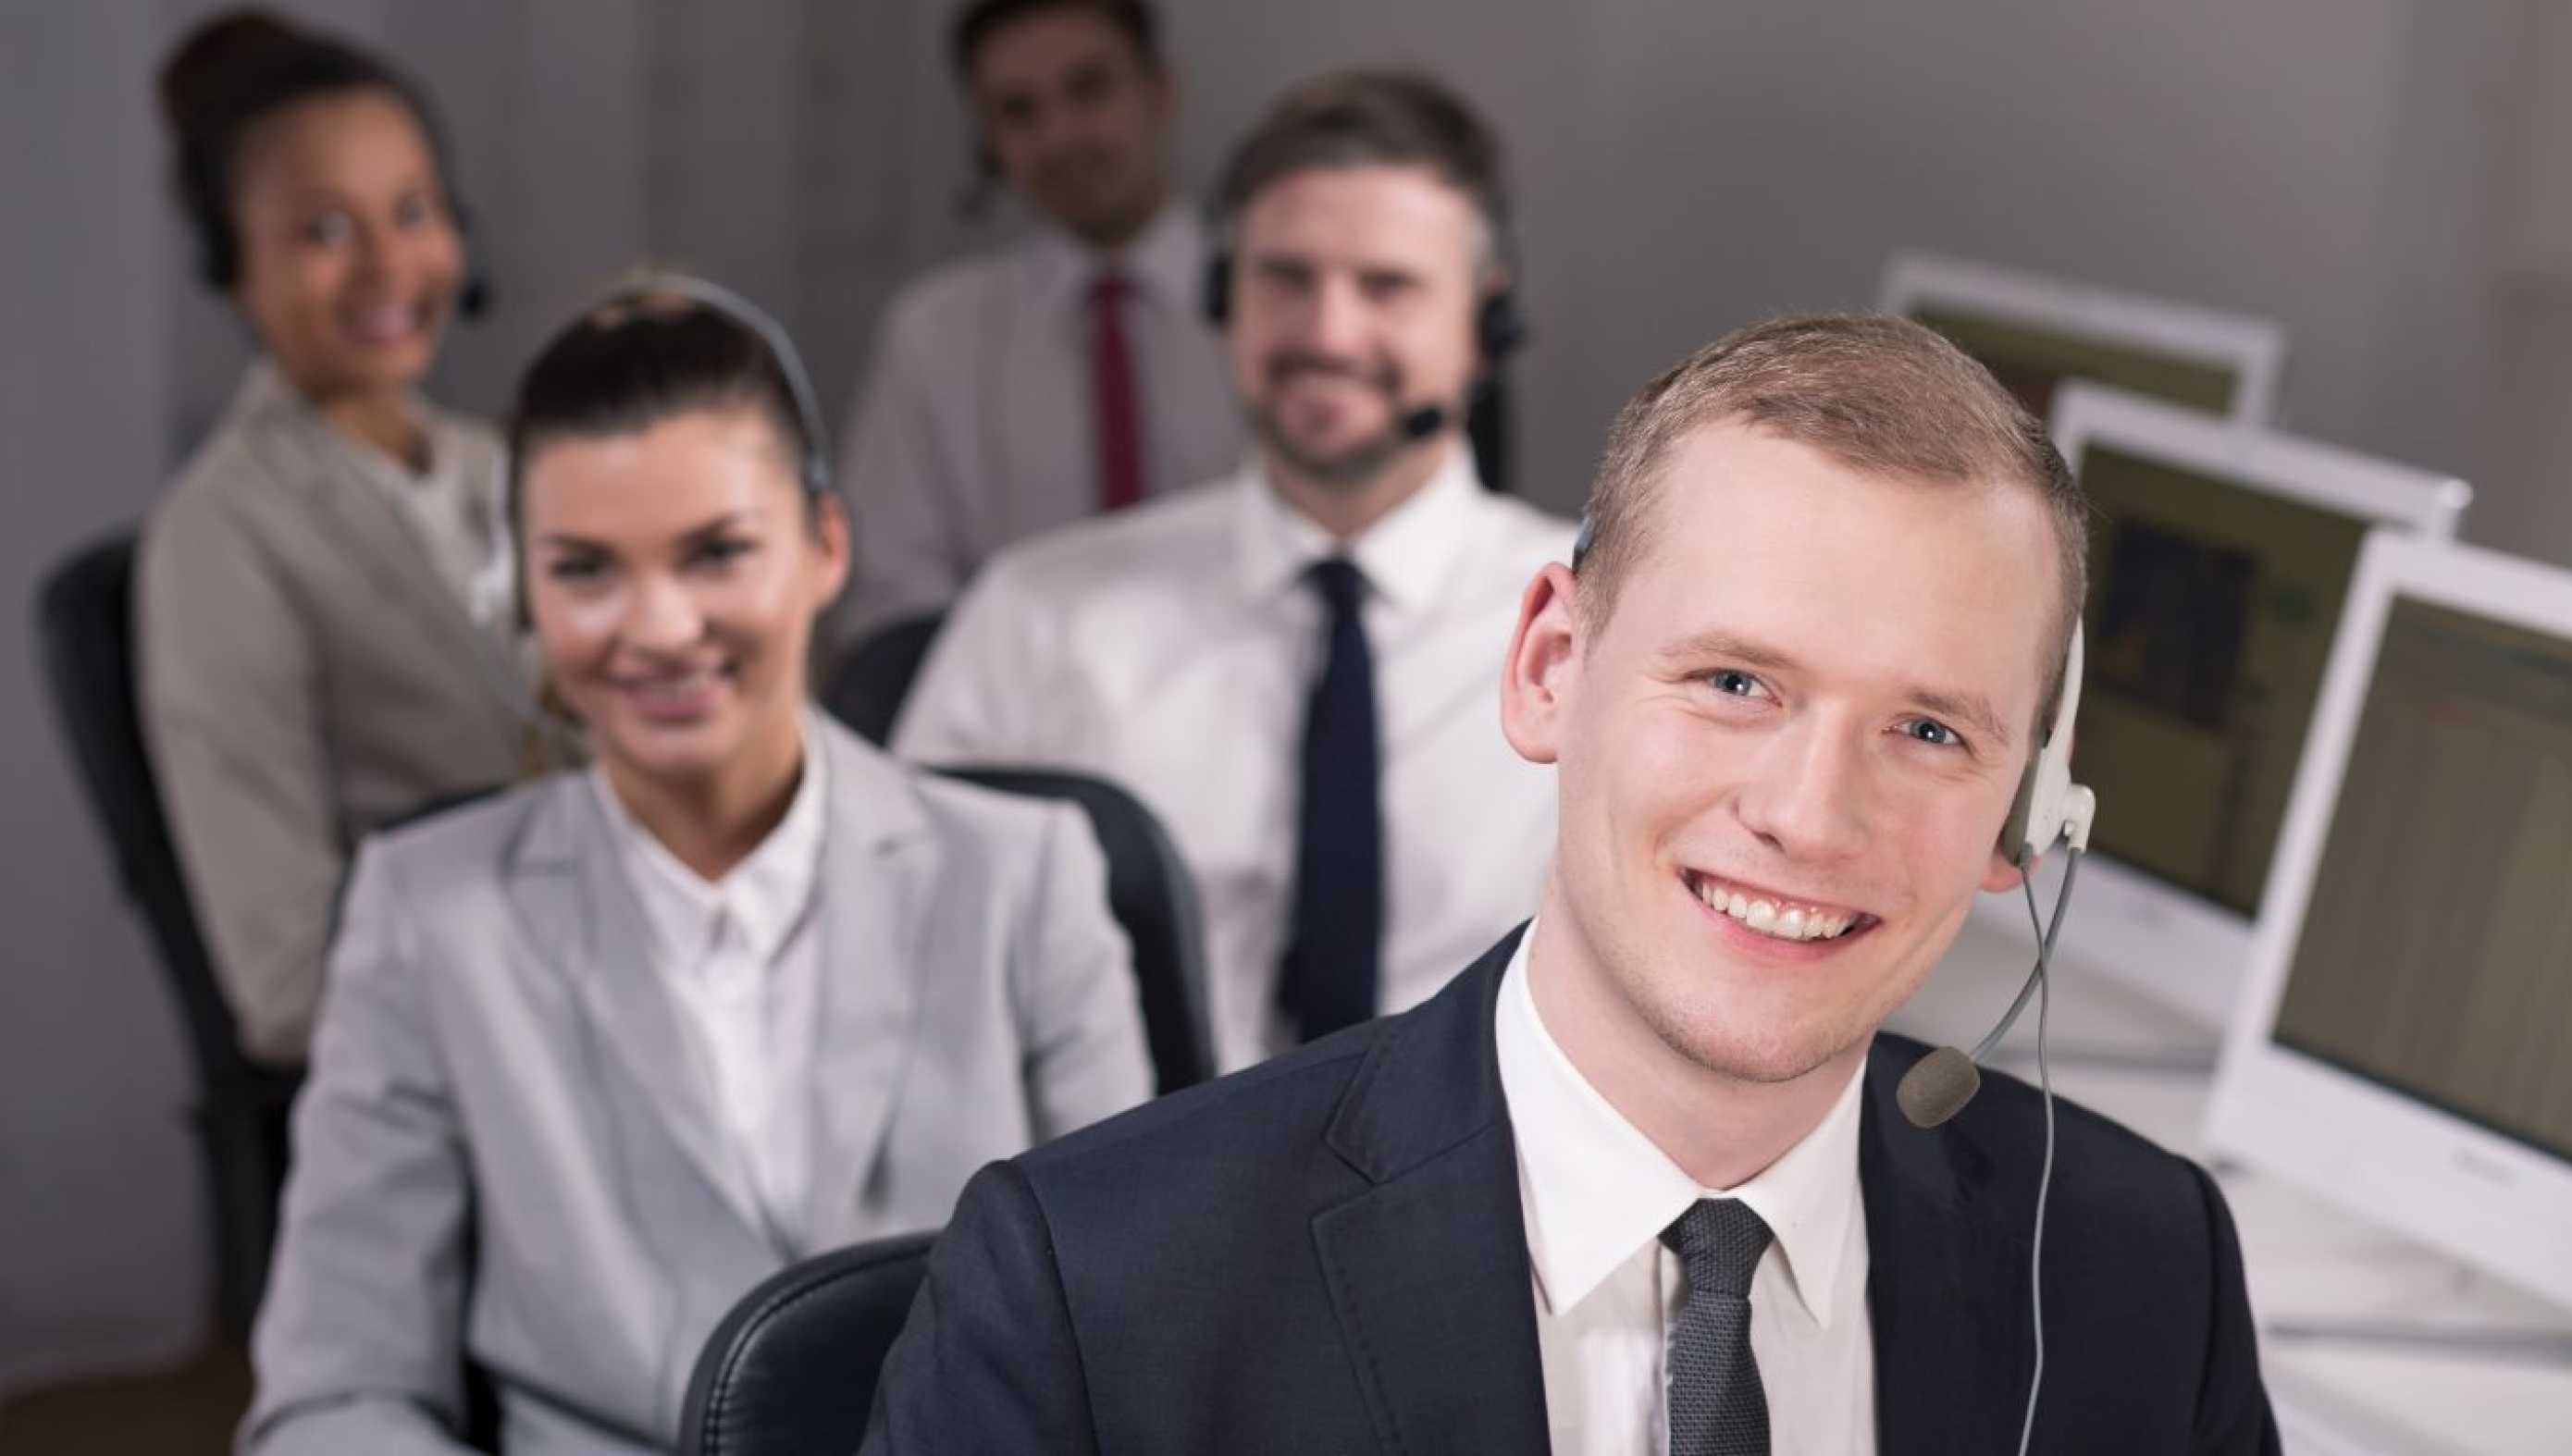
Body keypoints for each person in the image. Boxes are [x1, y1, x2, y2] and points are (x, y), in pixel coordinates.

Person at [865, 315, 2278, 1453]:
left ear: (2024, 811)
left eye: (1928, 731)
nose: (1807, 815)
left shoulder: (2145, 1266)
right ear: (1550, 668)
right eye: (1735, 682)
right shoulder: (1099, 1285)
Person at [242, 281, 1155, 1455]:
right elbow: (333, 1396)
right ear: (519, 587)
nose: (660, 626)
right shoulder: (424, 914)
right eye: (584, 570)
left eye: (716, 551)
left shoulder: (1026, 878)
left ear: (826, 545)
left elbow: (1142, 1334)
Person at [896, 69, 1571, 1072]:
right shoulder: (1037, 613)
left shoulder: (1612, 627)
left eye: (1386, 286)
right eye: (1285, 278)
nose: (1328, 333)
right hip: (1121, 1197)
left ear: (1487, 320)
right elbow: (905, 963)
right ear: (1224, 295)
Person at [138, 9, 564, 1066]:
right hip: (473, 1073)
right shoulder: (219, 539)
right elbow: (287, 984)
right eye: (325, 230)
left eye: (413, 210)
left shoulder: (520, 468)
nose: (388, 264)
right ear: (234, 268)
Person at [832, 0, 1242, 636]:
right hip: (1008, 717)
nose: (1060, 137)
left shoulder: (1285, 306)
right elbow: (892, 593)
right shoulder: (933, 335)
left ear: (1160, 92)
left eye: (1089, 89)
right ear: (988, 138)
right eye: (1018, 111)